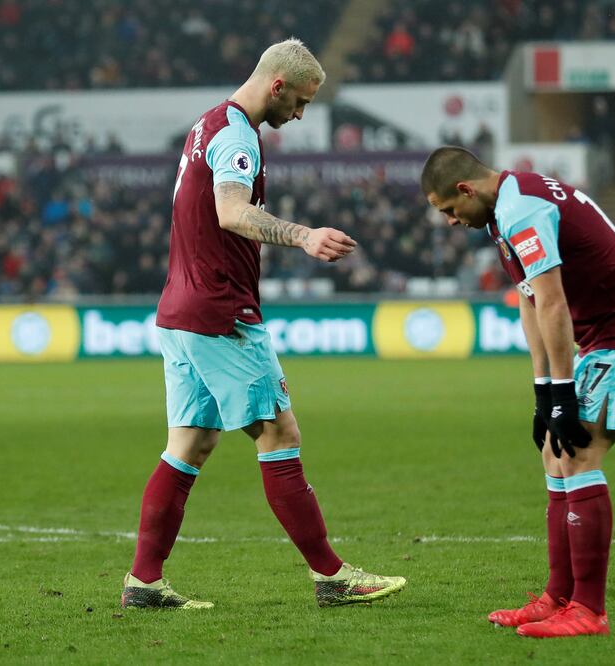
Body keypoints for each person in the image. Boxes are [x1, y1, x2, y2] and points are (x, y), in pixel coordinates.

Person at [122, 39, 406, 610]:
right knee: (279, 435)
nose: (299, 115)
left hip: (180, 310)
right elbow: (230, 211)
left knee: (190, 443)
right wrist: (305, 236)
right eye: (299, 102)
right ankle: (332, 576)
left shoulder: (207, 123)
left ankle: (144, 582)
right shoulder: (236, 135)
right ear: (277, 86)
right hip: (219, 312)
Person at [420, 147, 615, 638]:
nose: (451, 221)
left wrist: (563, 394)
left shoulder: (521, 209)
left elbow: (555, 303)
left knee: (578, 453)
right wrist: (544, 391)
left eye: (449, 209)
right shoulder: (504, 208)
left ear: (466, 189)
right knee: (555, 451)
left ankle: (589, 611)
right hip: (603, 331)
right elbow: (531, 299)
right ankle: (557, 598)